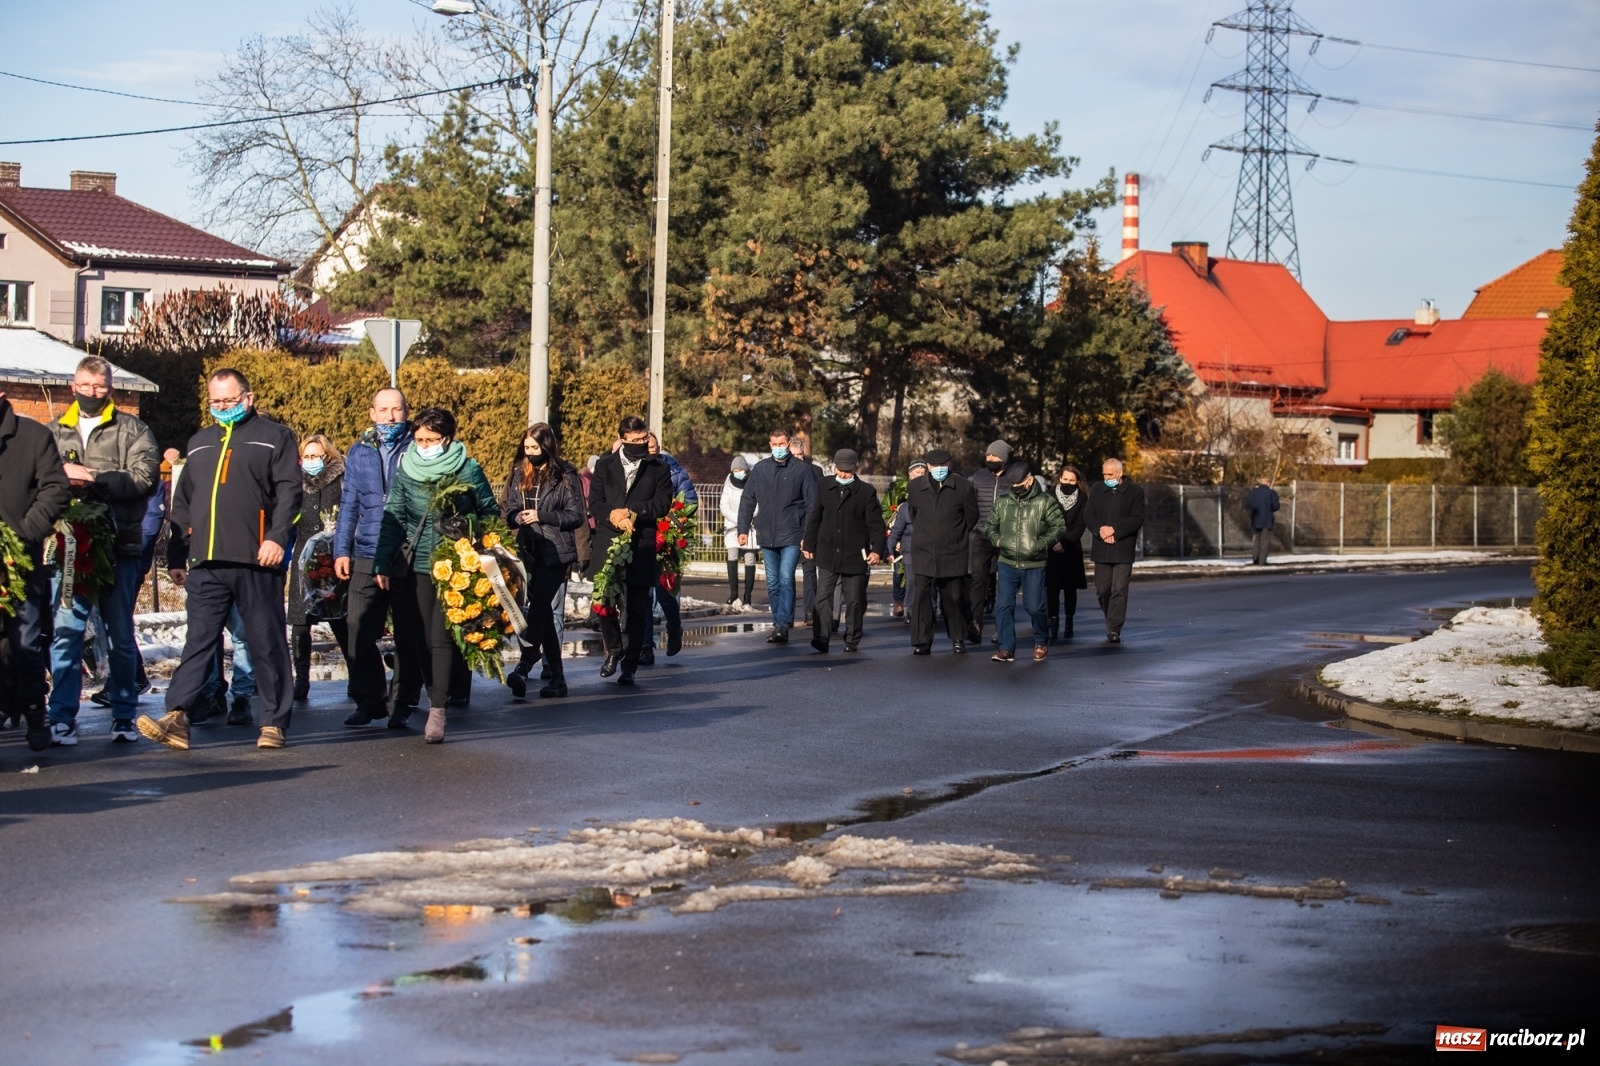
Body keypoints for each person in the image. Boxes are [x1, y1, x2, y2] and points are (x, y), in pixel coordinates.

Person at [136, 368, 301, 751]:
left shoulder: (275, 437)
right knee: (198, 641)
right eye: (215, 402)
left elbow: (291, 495)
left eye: (228, 400)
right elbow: (184, 502)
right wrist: (178, 554)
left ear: (248, 397)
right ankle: (177, 715)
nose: (222, 408)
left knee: (265, 641)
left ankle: (274, 722)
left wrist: (277, 538)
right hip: (206, 562)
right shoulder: (200, 441)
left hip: (256, 558)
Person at [43, 356, 160, 746]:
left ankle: (124, 713)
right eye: (85, 385)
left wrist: (91, 477)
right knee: (66, 634)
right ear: (72, 385)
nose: (92, 393)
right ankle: (61, 715)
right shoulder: (54, 431)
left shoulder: (132, 429)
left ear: (111, 388)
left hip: (118, 547)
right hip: (67, 549)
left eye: (100, 386)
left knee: (120, 635)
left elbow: (145, 477)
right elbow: (38, 477)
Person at [372, 407, 498, 744]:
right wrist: (382, 562)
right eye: (419, 439)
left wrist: (467, 527)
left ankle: (438, 709)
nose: (423, 445)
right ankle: (429, 693)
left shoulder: (468, 468)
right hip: (415, 566)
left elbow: (490, 512)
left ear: (447, 438)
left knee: (441, 637)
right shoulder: (407, 470)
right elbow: (393, 516)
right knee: (418, 638)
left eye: (430, 439)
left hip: (454, 563)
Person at [333, 387, 423, 729]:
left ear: (405, 412)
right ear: (371, 413)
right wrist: (342, 549)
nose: (390, 416)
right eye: (383, 410)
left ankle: (401, 702)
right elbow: (349, 505)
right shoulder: (359, 452)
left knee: (407, 632)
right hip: (366, 551)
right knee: (357, 628)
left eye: (396, 410)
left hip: (406, 552)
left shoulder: (417, 447)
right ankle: (368, 699)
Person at [0, 386, 72, 753]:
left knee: (25, 643)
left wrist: (25, 532)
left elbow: (56, 489)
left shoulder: (32, 436)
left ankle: (33, 711)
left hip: (18, 561)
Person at [586, 415, 673, 684]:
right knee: (603, 601)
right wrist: (614, 516)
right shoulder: (604, 464)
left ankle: (630, 664)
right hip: (609, 542)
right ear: (622, 439)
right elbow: (595, 502)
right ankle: (614, 649)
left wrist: (632, 512)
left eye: (643, 439)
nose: (639, 444)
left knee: (636, 608)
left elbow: (662, 503)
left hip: (640, 543)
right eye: (633, 440)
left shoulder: (657, 467)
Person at [503, 423, 585, 699]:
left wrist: (542, 516)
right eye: (526, 448)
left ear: (547, 447)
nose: (529, 453)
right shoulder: (519, 472)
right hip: (529, 550)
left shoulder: (564, 475)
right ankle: (558, 679)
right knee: (544, 615)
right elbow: (510, 506)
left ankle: (524, 665)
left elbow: (576, 516)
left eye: (535, 448)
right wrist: (515, 517)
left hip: (557, 553)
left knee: (538, 607)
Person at [800, 450, 885, 654]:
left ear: (855, 468)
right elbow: (815, 517)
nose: (844, 474)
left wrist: (877, 550)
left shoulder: (866, 491)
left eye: (848, 471)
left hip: (855, 555)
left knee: (854, 600)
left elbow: (876, 525)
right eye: (840, 470)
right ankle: (821, 637)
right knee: (823, 597)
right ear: (834, 467)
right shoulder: (823, 485)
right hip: (828, 551)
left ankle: (852, 638)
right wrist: (809, 545)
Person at [737, 429, 815, 645]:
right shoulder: (761, 470)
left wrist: (807, 535)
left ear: (788, 443)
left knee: (785, 578)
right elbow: (747, 500)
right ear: (769, 444)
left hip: (792, 533)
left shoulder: (801, 470)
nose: (778, 448)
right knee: (772, 582)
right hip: (766, 534)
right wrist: (742, 529)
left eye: (782, 444)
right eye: (774, 444)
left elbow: (812, 504)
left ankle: (782, 625)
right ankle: (778, 621)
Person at [984, 462, 1066, 663]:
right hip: (1007, 562)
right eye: (1011, 483)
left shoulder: (1046, 502)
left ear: (1030, 480)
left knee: (1035, 607)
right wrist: (998, 540)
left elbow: (1059, 526)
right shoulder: (1003, 502)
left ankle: (1040, 641)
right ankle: (1006, 648)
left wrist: (1042, 543)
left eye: (1018, 483)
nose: (1014, 487)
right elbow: (990, 526)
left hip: (1034, 564)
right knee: (1003, 606)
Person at [287, 434, 348, 702]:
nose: (312, 462)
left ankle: (357, 676)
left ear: (329, 457)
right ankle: (301, 679)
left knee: (340, 618)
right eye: (307, 456)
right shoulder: (295, 483)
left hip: (334, 556)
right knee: (301, 622)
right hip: (304, 556)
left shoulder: (342, 479)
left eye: (317, 456)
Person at [904, 449, 978, 655]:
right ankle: (922, 641)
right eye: (934, 466)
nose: (938, 470)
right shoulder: (915, 487)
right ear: (927, 466)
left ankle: (958, 638)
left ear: (950, 465)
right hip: (923, 550)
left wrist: (955, 535)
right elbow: (913, 514)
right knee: (922, 597)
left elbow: (971, 517)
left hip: (953, 551)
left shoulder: (963, 487)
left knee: (953, 597)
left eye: (942, 466)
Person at [644, 431, 697, 660]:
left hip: (667, 538)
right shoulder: (634, 470)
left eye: (653, 445)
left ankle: (674, 628)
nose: (650, 449)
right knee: (643, 594)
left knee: (666, 592)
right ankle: (645, 646)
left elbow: (690, 502)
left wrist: (675, 522)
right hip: (643, 538)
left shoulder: (674, 471)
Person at [1082, 457, 1145, 644]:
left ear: (1120, 473)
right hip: (1102, 547)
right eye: (1104, 474)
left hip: (1123, 548)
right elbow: (1089, 515)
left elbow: (1137, 518)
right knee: (1102, 590)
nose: (1106, 477)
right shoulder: (1096, 489)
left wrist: (1115, 530)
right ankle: (1111, 617)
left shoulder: (1134, 492)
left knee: (1119, 590)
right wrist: (1100, 530)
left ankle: (1114, 627)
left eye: (1110, 474)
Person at [967, 440, 1014, 645]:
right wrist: (973, 528)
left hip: (1005, 539)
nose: (989, 460)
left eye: (994, 456)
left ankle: (1001, 628)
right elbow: (970, 504)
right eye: (987, 456)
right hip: (980, 536)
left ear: (1003, 458)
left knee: (1004, 583)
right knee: (977, 581)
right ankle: (975, 624)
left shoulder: (1013, 477)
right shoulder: (978, 477)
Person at [1045, 465, 1088, 640]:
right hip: (1052, 548)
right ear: (1059, 479)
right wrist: (1054, 541)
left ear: (1077, 481)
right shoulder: (1049, 496)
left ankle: (1069, 621)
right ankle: (1053, 623)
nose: (1068, 483)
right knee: (1052, 588)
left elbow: (1080, 525)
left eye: (1072, 480)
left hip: (1071, 548)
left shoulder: (1083, 498)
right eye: (1065, 480)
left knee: (1070, 589)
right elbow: (1044, 520)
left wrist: (1064, 542)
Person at [788, 432, 824, 628]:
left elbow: (819, 502)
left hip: (809, 528)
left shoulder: (815, 472)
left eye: (801, 455)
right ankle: (788, 613)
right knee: (788, 573)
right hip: (788, 530)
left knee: (810, 571)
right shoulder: (782, 473)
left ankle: (810, 611)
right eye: (794, 456)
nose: (799, 459)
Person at [886, 460, 927, 623]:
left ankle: (929, 608)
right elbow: (892, 521)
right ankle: (906, 606)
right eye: (917, 472)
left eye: (923, 472)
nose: (920, 475)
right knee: (907, 579)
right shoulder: (899, 494)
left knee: (927, 581)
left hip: (928, 547)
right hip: (908, 547)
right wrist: (889, 546)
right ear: (909, 473)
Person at [720, 456, 758, 608]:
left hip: (751, 526)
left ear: (746, 470)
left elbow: (757, 504)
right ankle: (733, 593)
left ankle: (748, 596)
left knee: (750, 559)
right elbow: (724, 505)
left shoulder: (753, 482)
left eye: (740, 470)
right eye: (735, 470)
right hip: (732, 525)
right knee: (732, 556)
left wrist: (746, 519)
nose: (737, 473)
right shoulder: (728, 483)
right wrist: (738, 519)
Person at [1249, 476, 1281, 565]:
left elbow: (1249, 504)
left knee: (1256, 540)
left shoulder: (1253, 492)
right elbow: (1276, 506)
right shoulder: (1271, 493)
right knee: (1265, 541)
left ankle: (1255, 558)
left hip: (1255, 519)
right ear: (1268, 483)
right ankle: (1262, 561)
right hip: (1267, 520)